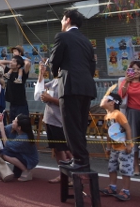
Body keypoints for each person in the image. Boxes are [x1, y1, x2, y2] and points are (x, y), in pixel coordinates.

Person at [49, 9, 97, 170]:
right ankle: (81, 159)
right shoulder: (86, 41)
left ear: (67, 20)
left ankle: (80, 160)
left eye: (62, 19)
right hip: (86, 87)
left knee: (70, 126)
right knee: (81, 125)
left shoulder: (62, 36)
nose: (61, 22)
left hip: (70, 86)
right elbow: (92, 65)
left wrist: (55, 73)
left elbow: (55, 60)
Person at [37, 62, 72, 183]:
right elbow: (40, 88)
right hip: (50, 120)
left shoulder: (67, 82)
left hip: (60, 122)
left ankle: (72, 175)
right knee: (57, 150)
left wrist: (50, 99)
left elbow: (67, 103)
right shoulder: (54, 81)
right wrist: (41, 73)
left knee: (66, 150)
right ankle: (63, 174)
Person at [99, 93, 134, 201]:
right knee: (111, 167)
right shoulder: (107, 116)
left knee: (125, 169)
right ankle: (112, 186)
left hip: (124, 147)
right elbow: (110, 133)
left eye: (105, 98)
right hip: (115, 148)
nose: (102, 100)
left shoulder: (118, 114)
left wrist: (128, 144)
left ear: (112, 102)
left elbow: (127, 128)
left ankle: (126, 190)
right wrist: (108, 148)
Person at [118, 61, 140, 175]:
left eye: (138, 69)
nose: (135, 71)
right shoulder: (125, 81)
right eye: (133, 69)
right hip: (132, 112)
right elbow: (121, 95)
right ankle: (136, 167)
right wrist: (126, 80)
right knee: (134, 140)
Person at [0, 113, 39, 182]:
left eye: (15, 121)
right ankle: (20, 168)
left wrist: (2, 129)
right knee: (1, 152)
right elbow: (0, 132)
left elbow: (7, 144)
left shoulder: (24, 138)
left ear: (19, 127)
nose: (12, 121)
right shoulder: (13, 128)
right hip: (20, 154)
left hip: (29, 159)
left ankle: (26, 171)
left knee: (4, 153)